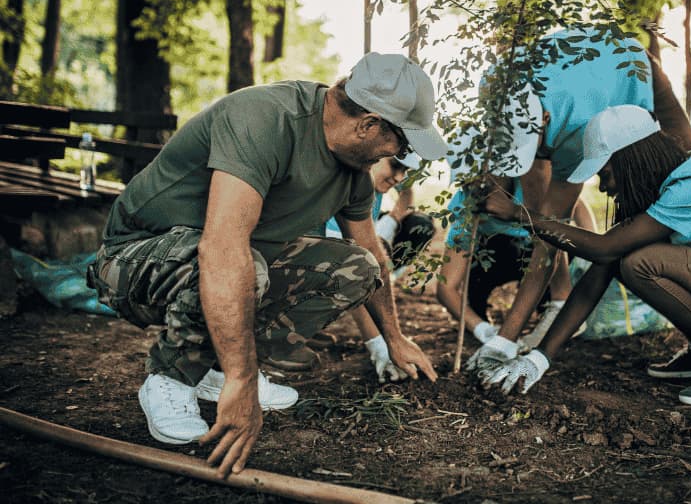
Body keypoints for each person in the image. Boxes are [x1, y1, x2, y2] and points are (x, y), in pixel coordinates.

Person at [88, 53, 447, 477]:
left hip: (230, 262)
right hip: (134, 259)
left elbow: (372, 254)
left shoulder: (354, 171)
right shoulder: (266, 118)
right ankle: (170, 379)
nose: (398, 157)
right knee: (245, 266)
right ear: (368, 125)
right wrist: (244, 380)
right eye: (401, 145)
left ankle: (213, 369)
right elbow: (222, 250)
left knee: (357, 268)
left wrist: (394, 336)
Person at [480, 105, 691, 406]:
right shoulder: (668, 187)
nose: (603, 187)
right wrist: (540, 358)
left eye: (605, 174)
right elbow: (603, 263)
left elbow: (604, 248)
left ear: (632, 161)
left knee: (642, 262)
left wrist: (521, 215)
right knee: (632, 260)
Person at [466, 26, 691, 378]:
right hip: (576, 76)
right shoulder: (496, 88)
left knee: (684, 165)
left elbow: (551, 229)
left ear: (545, 120)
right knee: (544, 209)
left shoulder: (580, 118)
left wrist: (505, 338)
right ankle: (556, 304)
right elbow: (545, 226)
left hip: (628, 62)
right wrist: (503, 342)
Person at [437, 176, 592, 349]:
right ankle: (480, 314)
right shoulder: (466, 206)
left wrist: (587, 258)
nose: (479, 180)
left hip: (538, 260)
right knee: (495, 250)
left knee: (553, 241)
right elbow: (446, 287)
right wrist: (481, 329)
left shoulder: (532, 184)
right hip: (495, 260)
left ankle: (549, 310)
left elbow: (573, 204)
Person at [324, 153, 437, 382]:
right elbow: (353, 274)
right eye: (396, 167)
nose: (399, 177)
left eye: (404, 171)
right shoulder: (344, 185)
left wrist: (392, 220)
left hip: (363, 237)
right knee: (359, 271)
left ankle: (387, 278)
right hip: (326, 252)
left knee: (420, 225)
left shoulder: (382, 169)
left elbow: (406, 191)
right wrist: (380, 344)